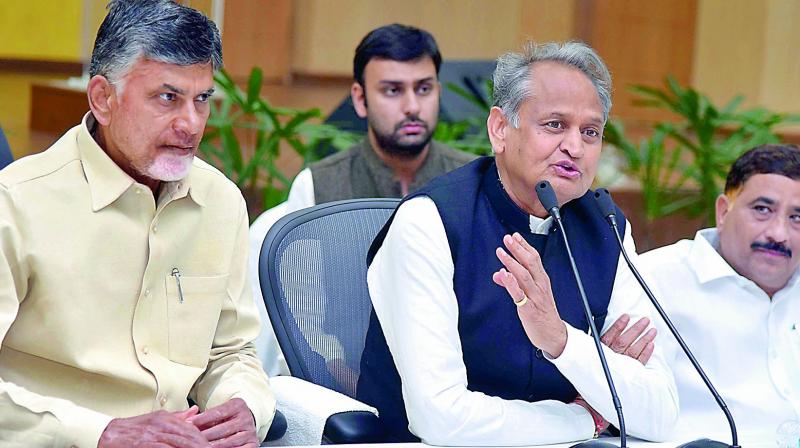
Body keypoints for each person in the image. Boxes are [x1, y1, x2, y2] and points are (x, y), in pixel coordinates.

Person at [356, 41, 679, 445]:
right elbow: (440, 418)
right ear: (499, 130)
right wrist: (585, 416)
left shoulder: (606, 228)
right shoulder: (430, 221)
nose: (575, 148)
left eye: (591, 132)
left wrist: (561, 341)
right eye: (555, 125)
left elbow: (660, 413)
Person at [0, 1, 274, 446]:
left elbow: (231, 351)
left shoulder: (220, 202)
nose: (191, 124)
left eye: (201, 99)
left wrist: (243, 406)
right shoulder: (16, 202)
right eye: (168, 98)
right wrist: (98, 433)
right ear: (103, 100)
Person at [250, 23, 475, 377]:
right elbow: (301, 318)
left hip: (457, 383)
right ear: (359, 98)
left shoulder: (471, 181)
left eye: (424, 89)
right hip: (346, 387)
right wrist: (341, 376)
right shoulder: (319, 187)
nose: (412, 106)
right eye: (392, 90)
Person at [637, 144, 800, 439]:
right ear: (724, 211)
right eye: (762, 210)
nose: (779, 234)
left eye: (796, 218)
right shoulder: (655, 280)